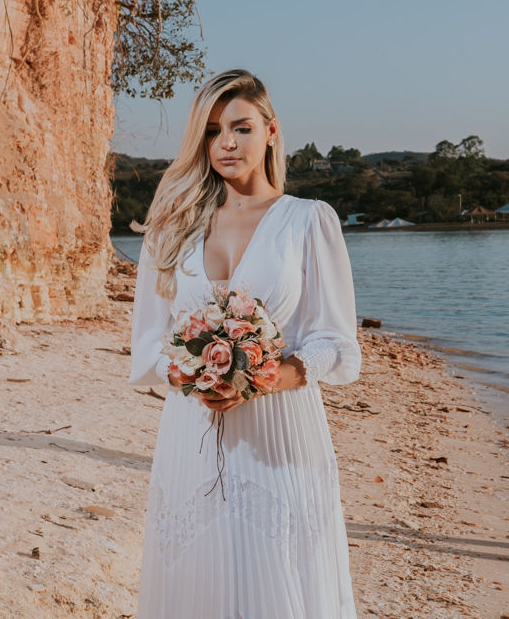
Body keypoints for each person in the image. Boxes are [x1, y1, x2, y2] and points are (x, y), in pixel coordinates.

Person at [128, 70, 361, 618]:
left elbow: (335, 341)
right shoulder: (171, 228)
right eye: (212, 131)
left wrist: (268, 377)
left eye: (241, 127)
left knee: (277, 573)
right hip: (191, 428)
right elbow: (148, 341)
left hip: (279, 430)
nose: (226, 143)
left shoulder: (308, 220)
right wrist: (192, 376)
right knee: (197, 575)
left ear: (272, 132)